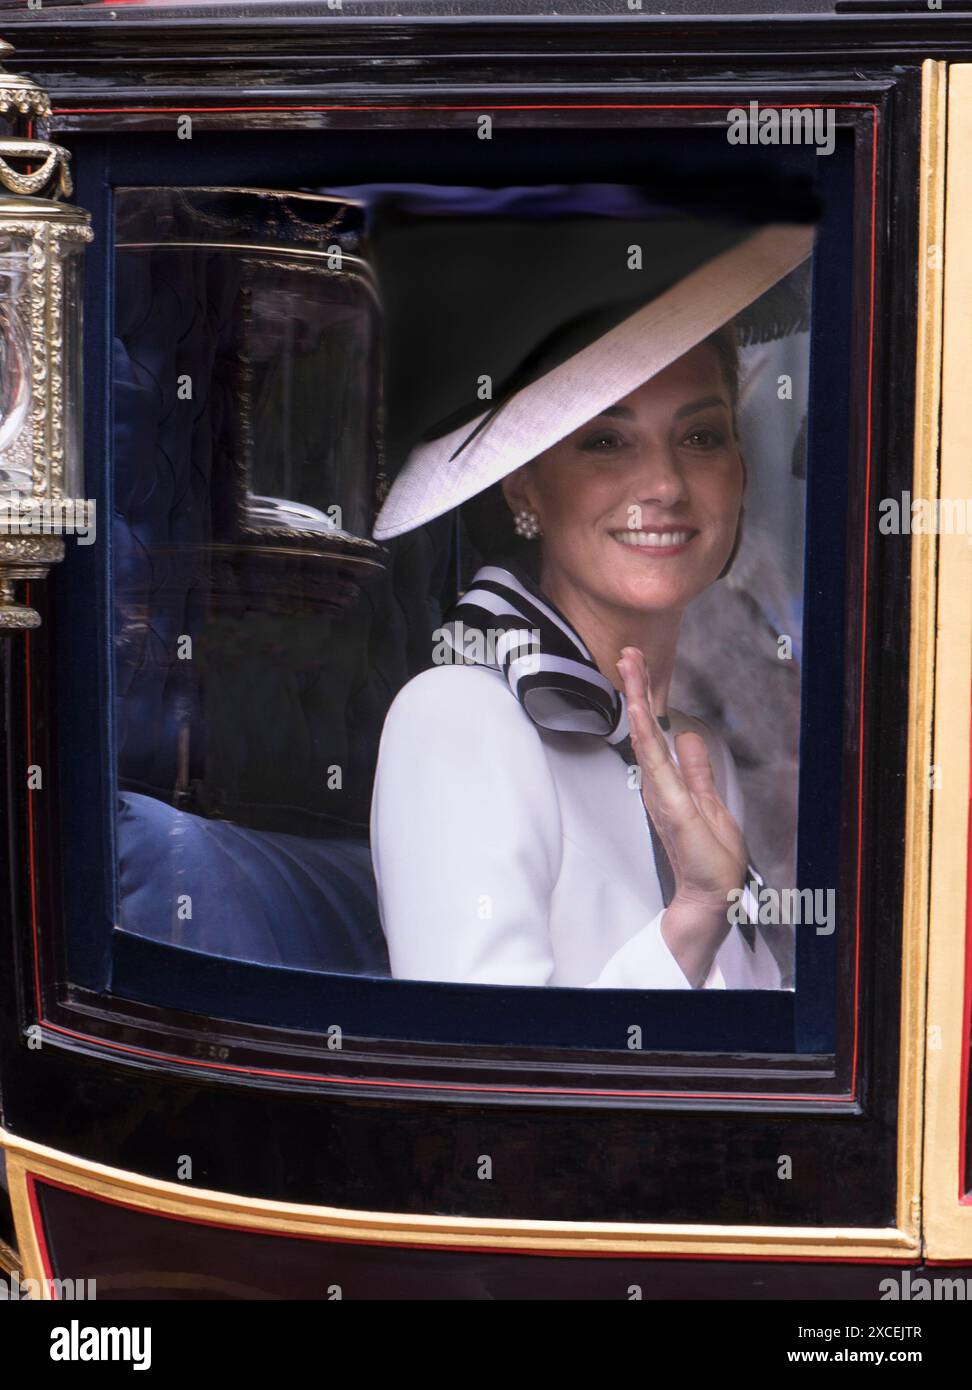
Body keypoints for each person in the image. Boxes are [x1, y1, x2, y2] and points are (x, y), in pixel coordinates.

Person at [368, 213, 813, 989]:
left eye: (702, 437)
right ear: (523, 485)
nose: (667, 486)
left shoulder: (696, 758)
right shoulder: (456, 720)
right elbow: (483, 1088)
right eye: (606, 442)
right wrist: (695, 916)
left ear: (740, 471)